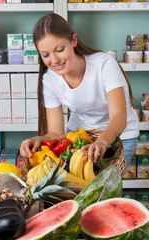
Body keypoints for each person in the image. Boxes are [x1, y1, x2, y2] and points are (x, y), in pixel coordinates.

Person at [20, 13, 139, 169]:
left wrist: (101, 142)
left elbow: (119, 117)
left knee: (105, 190)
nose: (54, 60)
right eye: (46, 55)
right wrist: (40, 139)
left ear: (73, 40)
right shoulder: (49, 79)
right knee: (76, 190)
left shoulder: (104, 64)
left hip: (120, 136)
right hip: (79, 136)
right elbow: (55, 132)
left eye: (60, 49)